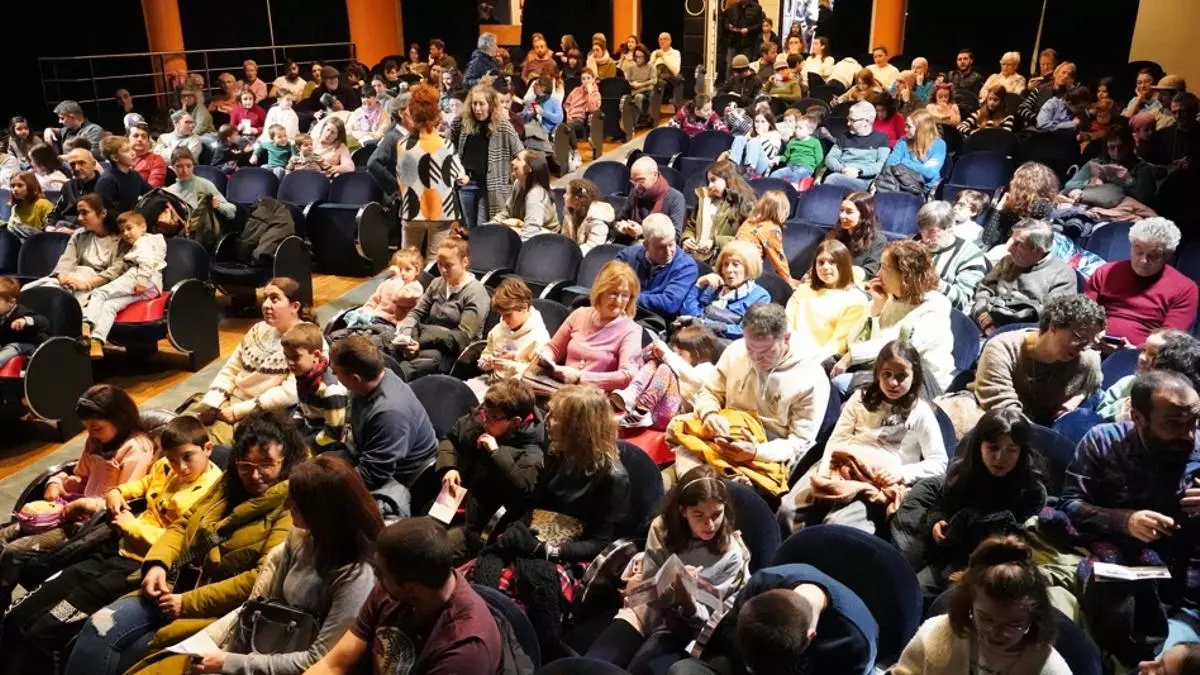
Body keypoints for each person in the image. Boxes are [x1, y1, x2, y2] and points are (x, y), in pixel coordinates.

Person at [63, 411, 304, 675]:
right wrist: (157, 564)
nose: (255, 475)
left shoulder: (292, 505)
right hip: (172, 582)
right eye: (246, 465)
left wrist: (188, 602)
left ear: (286, 460)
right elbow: (183, 523)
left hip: (215, 610)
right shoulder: (229, 481)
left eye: (267, 465)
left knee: (135, 657)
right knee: (97, 627)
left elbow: (261, 577)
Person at [0, 415, 221, 674]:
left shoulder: (214, 491)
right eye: (172, 459)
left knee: (42, 633)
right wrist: (117, 492)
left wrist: (132, 526)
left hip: (139, 567)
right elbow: (142, 484)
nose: (180, 467)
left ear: (207, 449)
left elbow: (183, 542)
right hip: (112, 547)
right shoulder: (165, 467)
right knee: (16, 615)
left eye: (187, 457)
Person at [1059, 369, 1200, 658]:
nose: (1187, 434)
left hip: (1186, 588)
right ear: (1137, 417)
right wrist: (1124, 521)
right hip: (1116, 572)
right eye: (1173, 424)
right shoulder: (1104, 442)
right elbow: (1070, 505)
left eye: (1194, 421)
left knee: (1159, 662)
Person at [0, 384, 154, 606]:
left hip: (93, 525)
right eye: (87, 428)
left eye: (96, 428)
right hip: (71, 509)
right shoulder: (95, 441)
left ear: (119, 418)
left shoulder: (136, 449)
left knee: (15, 551)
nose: (91, 434)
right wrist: (56, 482)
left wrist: (84, 504)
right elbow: (80, 476)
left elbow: (126, 500)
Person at [587, 466, 752, 671]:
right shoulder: (662, 527)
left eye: (716, 514)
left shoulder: (730, 554)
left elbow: (704, 618)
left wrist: (687, 599)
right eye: (699, 515)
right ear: (683, 512)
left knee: (641, 669)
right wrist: (664, 585)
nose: (710, 524)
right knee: (595, 665)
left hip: (680, 628)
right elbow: (647, 587)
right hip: (646, 609)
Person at [786, 339, 947, 533]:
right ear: (878, 372)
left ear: (914, 377)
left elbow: (939, 462)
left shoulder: (921, 412)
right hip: (841, 465)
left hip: (877, 480)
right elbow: (838, 439)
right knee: (789, 512)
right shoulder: (860, 398)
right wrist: (825, 469)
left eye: (901, 376)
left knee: (837, 525)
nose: (892, 383)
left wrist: (902, 473)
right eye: (887, 374)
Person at [312, 514, 504, 675]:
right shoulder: (393, 589)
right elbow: (335, 663)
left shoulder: (465, 651)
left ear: (411, 589)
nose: (375, 577)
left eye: (380, 573)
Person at [894, 410, 1048, 591]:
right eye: (993, 448)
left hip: (997, 567)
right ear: (979, 446)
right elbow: (941, 506)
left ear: (1022, 451)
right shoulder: (961, 475)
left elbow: (1024, 541)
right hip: (952, 557)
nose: (1000, 458)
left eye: (1011, 450)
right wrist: (937, 522)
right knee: (912, 588)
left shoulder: (1031, 490)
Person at [675, 303, 831, 482]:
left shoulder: (811, 378)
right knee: (681, 449)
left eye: (766, 352)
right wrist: (710, 414)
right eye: (750, 348)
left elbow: (800, 443)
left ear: (786, 339)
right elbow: (709, 392)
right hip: (723, 435)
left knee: (714, 486)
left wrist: (757, 451)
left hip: (765, 453)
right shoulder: (736, 350)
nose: (756, 358)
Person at [666, 558, 879, 675]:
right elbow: (726, 635)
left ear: (811, 636)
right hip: (739, 665)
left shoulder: (855, 641)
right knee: (683, 671)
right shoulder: (762, 583)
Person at [893, 536, 1069, 675]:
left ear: (1035, 616)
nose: (997, 633)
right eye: (986, 619)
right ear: (969, 604)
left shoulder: (1049, 667)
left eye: (1013, 624)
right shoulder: (935, 633)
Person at [184, 277, 311, 445]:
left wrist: (237, 411)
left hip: (259, 414)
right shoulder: (258, 330)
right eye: (265, 298)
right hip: (228, 401)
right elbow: (231, 369)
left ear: (295, 306)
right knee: (178, 428)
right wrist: (213, 402)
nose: (266, 305)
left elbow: (289, 393)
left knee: (199, 442)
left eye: (274, 299)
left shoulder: (308, 340)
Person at [437, 378, 544, 557]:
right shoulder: (483, 416)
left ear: (516, 422)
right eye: (485, 412)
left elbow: (523, 491)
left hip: (479, 527)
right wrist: (450, 467)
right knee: (415, 537)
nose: (485, 420)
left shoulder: (531, 453)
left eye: (493, 417)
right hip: (453, 500)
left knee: (434, 553)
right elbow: (450, 439)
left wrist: (496, 453)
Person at [834, 240, 954, 393]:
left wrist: (852, 356)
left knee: (840, 383)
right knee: (822, 366)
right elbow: (854, 339)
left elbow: (897, 347)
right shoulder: (891, 296)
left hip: (917, 380)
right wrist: (877, 307)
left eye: (885, 268)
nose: (878, 274)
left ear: (905, 274)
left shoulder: (935, 307)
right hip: (879, 367)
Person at [329, 336, 438, 502]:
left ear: (355, 379)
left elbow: (372, 475)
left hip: (399, 479)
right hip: (367, 455)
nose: (333, 375)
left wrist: (328, 488)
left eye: (336, 372)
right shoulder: (377, 378)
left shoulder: (389, 415)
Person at [973, 293, 1104, 425]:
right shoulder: (1002, 349)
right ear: (1054, 325)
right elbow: (1005, 411)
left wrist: (1077, 398)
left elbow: (1093, 385)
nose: (1084, 347)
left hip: (1041, 425)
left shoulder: (1087, 359)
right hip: (997, 420)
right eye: (1079, 337)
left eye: (1090, 342)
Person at [1086, 218, 1198, 347]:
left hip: (1146, 354)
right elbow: (1085, 313)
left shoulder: (1185, 289)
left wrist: (1135, 350)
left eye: (1153, 256)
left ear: (1167, 257)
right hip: (1093, 344)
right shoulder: (1105, 272)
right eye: (1138, 252)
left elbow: (1169, 340)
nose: (1143, 260)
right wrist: (1092, 332)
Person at [390, 236, 489, 381]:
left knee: (421, 363)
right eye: (439, 264)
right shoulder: (437, 283)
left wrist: (420, 342)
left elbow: (461, 337)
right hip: (422, 339)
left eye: (448, 265)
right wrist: (406, 337)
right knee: (386, 345)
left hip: (450, 351)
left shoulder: (476, 293)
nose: (443, 270)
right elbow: (416, 313)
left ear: (465, 262)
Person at [534, 261, 642, 391]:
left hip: (594, 398)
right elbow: (554, 348)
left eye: (625, 295)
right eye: (613, 293)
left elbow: (627, 376)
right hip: (560, 389)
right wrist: (546, 357)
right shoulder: (579, 314)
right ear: (600, 291)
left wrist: (580, 377)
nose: (619, 301)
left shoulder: (631, 330)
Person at [972, 218, 1077, 335]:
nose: (1009, 248)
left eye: (1018, 244)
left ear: (1038, 250)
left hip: (1023, 334)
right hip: (984, 322)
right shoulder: (1008, 261)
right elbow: (985, 289)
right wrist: (981, 312)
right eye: (1012, 240)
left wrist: (1001, 319)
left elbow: (1051, 319)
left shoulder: (1062, 275)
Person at [398, 84, 465, 263]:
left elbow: (401, 176)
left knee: (407, 261)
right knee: (434, 264)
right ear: (436, 116)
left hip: (411, 209)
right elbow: (458, 176)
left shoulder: (402, 144)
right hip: (440, 210)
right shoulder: (444, 145)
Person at [80, 211, 163, 353]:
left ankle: (86, 324)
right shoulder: (152, 243)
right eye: (122, 231)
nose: (125, 233)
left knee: (99, 293)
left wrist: (142, 280)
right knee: (110, 306)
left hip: (140, 278)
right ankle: (96, 341)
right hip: (152, 287)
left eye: (129, 228)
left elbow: (147, 262)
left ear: (143, 227)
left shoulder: (143, 243)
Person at [612, 325, 720, 431]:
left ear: (696, 354)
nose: (676, 356)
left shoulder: (707, 369)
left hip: (671, 415)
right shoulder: (679, 365)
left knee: (666, 368)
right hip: (653, 411)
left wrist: (666, 354)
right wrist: (654, 355)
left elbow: (693, 378)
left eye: (680, 354)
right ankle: (631, 394)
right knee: (654, 362)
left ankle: (641, 411)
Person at [451, 83, 524, 229]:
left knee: (484, 227)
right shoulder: (461, 123)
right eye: (474, 104)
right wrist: (457, 172)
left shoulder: (503, 126)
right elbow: (450, 148)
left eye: (482, 104)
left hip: (491, 186)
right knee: (468, 227)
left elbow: (520, 152)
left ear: (490, 105)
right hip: (466, 183)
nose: (477, 108)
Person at [25, 194, 124, 303]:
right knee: (30, 290)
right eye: (79, 213)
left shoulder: (122, 239)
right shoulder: (79, 234)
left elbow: (115, 271)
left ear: (103, 213)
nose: (80, 218)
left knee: (62, 299)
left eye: (84, 212)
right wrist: (62, 277)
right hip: (72, 278)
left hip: (96, 284)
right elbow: (67, 260)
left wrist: (86, 284)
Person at [464, 277, 551, 399]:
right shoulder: (499, 329)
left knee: (479, 401)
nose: (504, 320)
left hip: (516, 391)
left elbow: (538, 375)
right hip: (492, 379)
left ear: (524, 308)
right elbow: (487, 353)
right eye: (501, 315)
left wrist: (510, 365)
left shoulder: (540, 337)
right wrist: (486, 362)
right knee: (461, 392)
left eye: (508, 315)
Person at [784, 239, 869, 362]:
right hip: (790, 353)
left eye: (832, 262)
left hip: (820, 361)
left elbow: (837, 345)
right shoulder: (803, 289)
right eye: (821, 262)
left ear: (844, 265)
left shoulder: (857, 300)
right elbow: (787, 324)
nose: (825, 267)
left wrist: (806, 362)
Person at [1096, 329, 1199, 423]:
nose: (1142, 358)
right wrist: (1122, 405)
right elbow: (1099, 412)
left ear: (1173, 362)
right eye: (1143, 351)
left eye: (1153, 355)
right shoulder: (1127, 383)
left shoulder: (1186, 395)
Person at [679, 240, 772, 339]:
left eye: (735, 264)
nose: (729, 270)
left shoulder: (760, 296)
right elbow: (689, 313)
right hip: (698, 337)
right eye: (726, 264)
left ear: (749, 267)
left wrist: (705, 324)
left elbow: (744, 331)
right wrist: (699, 284)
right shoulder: (715, 285)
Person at [616, 215, 699, 322]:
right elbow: (610, 286)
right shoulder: (626, 256)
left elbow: (669, 304)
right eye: (661, 247)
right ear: (646, 245)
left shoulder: (686, 266)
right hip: (620, 314)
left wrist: (627, 297)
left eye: (671, 244)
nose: (668, 252)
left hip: (655, 323)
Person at [283, 322, 349, 450]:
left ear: (316, 355)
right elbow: (303, 407)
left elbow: (334, 434)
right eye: (286, 356)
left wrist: (305, 446)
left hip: (327, 441)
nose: (290, 362)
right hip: (310, 428)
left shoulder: (330, 390)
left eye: (296, 357)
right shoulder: (304, 376)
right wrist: (292, 428)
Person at [683, 159, 757, 266]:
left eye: (713, 180)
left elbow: (748, 240)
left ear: (728, 179)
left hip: (724, 263)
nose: (710, 186)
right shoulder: (704, 199)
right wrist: (687, 238)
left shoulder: (746, 205)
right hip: (695, 258)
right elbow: (691, 227)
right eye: (709, 181)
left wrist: (715, 242)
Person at [917, 200, 986, 312]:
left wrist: (932, 281)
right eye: (922, 231)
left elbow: (962, 301)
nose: (925, 239)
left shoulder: (971, 255)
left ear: (951, 227)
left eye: (933, 233)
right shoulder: (915, 245)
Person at [1064, 126, 1156, 206]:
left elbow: (1145, 199)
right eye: (1112, 147)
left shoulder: (1141, 168)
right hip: (1096, 205)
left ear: (1129, 146)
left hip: (1125, 209)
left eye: (1121, 147)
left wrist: (1129, 180)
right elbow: (1069, 186)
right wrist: (1088, 182)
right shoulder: (1097, 163)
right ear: (1106, 147)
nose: (1116, 152)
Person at [340, 248, 424, 331]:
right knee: (350, 329)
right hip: (375, 318)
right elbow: (374, 300)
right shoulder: (388, 283)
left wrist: (398, 278)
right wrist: (366, 311)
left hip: (392, 324)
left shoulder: (415, 288)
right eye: (400, 269)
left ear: (417, 271)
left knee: (371, 335)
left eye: (407, 269)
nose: (403, 273)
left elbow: (397, 298)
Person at [981, 162, 1059, 249]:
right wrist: (999, 208)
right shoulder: (1012, 206)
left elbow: (987, 239)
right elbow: (987, 239)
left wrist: (999, 209)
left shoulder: (1042, 207)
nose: (1011, 182)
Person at [488, 149, 559, 239]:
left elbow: (530, 232)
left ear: (529, 168)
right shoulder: (518, 184)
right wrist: (486, 227)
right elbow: (506, 213)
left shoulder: (536, 194)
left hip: (545, 241)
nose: (513, 162)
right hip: (524, 235)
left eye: (518, 159)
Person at [824, 101, 892, 191]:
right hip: (842, 174)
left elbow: (881, 165)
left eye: (852, 120)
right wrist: (842, 169)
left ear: (866, 121)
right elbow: (830, 158)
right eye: (848, 119)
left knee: (832, 179)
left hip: (864, 181)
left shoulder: (881, 139)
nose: (848, 123)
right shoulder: (844, 137)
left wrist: (859, 171)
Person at [614, 156, 688, 238]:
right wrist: (622, 227)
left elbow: (675, 236)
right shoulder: (635, 193)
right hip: (631, 243)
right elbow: (619, 220)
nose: (636, 186)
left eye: (641, 180)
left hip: (659, 245)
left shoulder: (675, 198)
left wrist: (643, 232)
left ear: (655, 175)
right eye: (633, 181)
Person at [165, 147, 237, 223]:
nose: (185, 170)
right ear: (172, 167)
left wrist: (218, 206)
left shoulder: (204, 185)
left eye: (189, 166)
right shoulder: (169, 192)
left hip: (201, 228)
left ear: (193, 166)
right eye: (179, 166)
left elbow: (231, 211)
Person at [827, 191, 887, 279]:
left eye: (849, 212)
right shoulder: (835, 233)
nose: (842, 216)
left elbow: (870, 272)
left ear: (864, 215)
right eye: (842, 210)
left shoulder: (878, 240)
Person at [882, 109, 947, 192]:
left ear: (921, 129)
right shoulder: (903, 140)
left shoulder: (938, 144)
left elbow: (929, 172)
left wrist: (904, 163)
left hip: (925, 187)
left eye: (909, 126)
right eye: (906, 125)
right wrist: (914, 167)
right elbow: (890, 163)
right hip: (900, 183)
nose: (905, 129)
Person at [736, 190, 793, 282]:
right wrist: (788, 280)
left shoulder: (749, 221)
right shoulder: (771, 228)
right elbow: (778, 259)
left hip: (731, 262)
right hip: (747, 270)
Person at [95, 136, 150, 217]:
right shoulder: (107, 181)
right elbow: (108, 212)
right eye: (126, 151)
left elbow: (150, 193)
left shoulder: (134, 175)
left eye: (131, 149)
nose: (133, 153)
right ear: (115, 157)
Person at [46, 148, 100, 230]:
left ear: (93, 164)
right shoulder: (68, 186)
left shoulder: (104, 185)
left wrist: (74, 232)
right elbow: (55, 212)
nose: (77, 168)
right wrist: (49, 226)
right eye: (72, 164)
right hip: (62, 228)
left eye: (82, 163)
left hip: (86, 230)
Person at [560, 177, 613, 254]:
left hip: (591, 257)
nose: (563, 196)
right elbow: (565, 238)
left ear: (576, 199)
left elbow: (593, 248)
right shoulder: (569, 211)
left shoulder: (597, 218)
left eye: (567, 193)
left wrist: (568, 253)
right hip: (574, 253)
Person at [1020, 61, 1078, 128]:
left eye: (1069, 75)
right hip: (1035, 129)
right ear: (1055, 73)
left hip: (1059, 130)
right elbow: (1023, 108)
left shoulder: (1072, 96)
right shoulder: (1040, 89)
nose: (1065, 76)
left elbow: (1077, 117)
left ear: (1072, 80)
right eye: (1063, 72)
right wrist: (1037, 119)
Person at [4, 171, 53, 236]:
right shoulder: (15, 207)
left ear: (31, 186)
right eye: (12, 186)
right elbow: (10, 228)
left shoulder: (44, 204)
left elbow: (51, 228)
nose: (15, 189)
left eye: (20, 185)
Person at [723, 0, 764, 78]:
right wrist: (729, 27)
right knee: (730, 66)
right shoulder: (732, 7)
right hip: (733, 42)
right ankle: (729, 84)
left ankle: (744, 84)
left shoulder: (756, 8)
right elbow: (726, 22)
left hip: (747, 43)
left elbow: (759, 25)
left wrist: (748, 29)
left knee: (745, 67)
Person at [126, 123, 166, 189]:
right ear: (127, 139)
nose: (140, 139)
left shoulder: (156, 160)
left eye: (144, 136)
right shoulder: (119, 158)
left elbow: (153, 189)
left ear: (148, 140)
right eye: (135, 136)